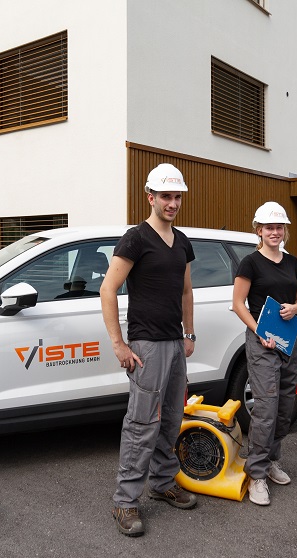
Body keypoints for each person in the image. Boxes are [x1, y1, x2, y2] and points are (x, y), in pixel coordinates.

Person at [101, 163, 198, 537]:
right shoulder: (136, 239)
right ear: (150, 197)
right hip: (146, 346)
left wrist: (189, 334)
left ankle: (162, 482)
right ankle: (125, 501)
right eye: (166, 196)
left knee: (171, 419)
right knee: (142, 424)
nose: (172, 203)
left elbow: (186, 291)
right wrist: (119, 344)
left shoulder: (182, 241)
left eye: (177, 197)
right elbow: (108, 289)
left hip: (174, 343)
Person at [231, 202, 297, 506]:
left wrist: (294, 308)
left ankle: (272, 459)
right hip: (262, 341)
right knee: (266, 407)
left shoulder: (292, 262)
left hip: (290, 339)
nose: (274, 232)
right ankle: (257, 474)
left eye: (279, 227)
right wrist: (259, 332)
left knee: (286, 405)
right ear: (259, 231)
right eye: (269, 228)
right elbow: (238, 304)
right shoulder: (250, 263)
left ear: (284, 230)